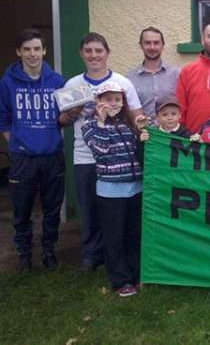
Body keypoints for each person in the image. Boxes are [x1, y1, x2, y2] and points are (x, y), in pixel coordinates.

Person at [63, 32, 143, 272]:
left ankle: (115, 256)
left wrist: (149, 130)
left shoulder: (122, 83)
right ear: (82, 54)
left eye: (99, 51)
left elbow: (136, 117)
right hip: (85, 156)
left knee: (117, 212)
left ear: (107, 53)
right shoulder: (73, 85)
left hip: (117, 158)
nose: (94, 55)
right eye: (88, 51)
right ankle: (91, 255)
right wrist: (73, 112)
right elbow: (61, 121)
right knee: (88, 208)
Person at [0, 28, 65, 272]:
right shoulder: (7, 83)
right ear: (19, 52)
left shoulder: (57, 81)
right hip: (23, 157)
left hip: (52, 155)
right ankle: (24, 255)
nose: (32, 54)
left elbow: (65, 116)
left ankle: (49, 251)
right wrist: (15, 142)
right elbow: (3, 117)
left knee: (51, 208)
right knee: (22, 209)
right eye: (26, 49)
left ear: (44, 51)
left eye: (37, 49)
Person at [81, 82, 143, 297]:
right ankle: (120, 280)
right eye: (108, 99)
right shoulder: (89, 125)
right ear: (99, 102)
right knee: (114, 236)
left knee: (133, 234)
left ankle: (135, 275)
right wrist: (101, 122)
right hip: (110, 191)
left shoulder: (128, 124)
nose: (113, 104)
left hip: (135, 187)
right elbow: (100, 149)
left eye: (117, 100)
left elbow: (137, 151)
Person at [127, 27, 179, 125]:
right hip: (141, 135)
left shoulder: (176, 75)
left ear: (162, 45)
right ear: (141, 45)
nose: (152, 47)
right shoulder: (130, 78)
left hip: (169, 135)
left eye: (156, 43)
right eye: (147, 43)